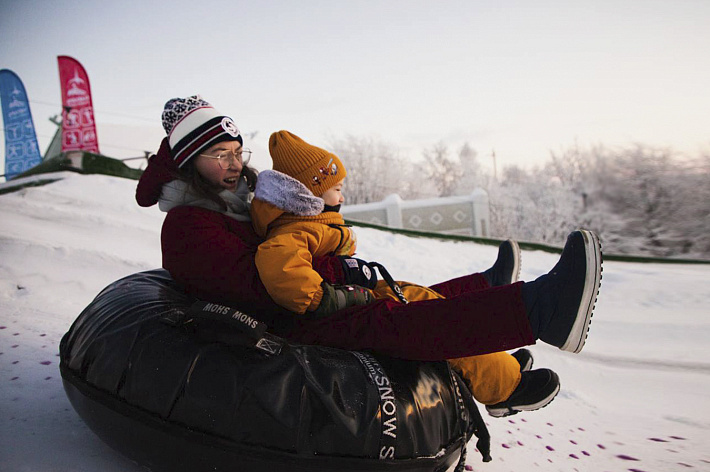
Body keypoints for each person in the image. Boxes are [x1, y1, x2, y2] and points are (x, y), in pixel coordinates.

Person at [136, 96, 602, 416]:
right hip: (287, 321)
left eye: (238, 151)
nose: (236, 165)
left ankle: (487, 300)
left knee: (402, 295)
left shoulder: (237, 202)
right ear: (187, 161)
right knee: (393, 315)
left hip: (313, 293)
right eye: (220, 154)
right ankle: (541, 311)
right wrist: (339, 290)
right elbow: (261, 289)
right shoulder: (187, 226)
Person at [249, 130, 560, 416]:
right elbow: (283, 270)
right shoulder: (294, 229)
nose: (342, 197)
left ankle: (496, 362)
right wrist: (329, 298)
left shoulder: (310, 222)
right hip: (334, 314)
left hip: (351, 298)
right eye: (337, 189)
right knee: (423, 311)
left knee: (421, 297)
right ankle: (504, 389)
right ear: (313, 189)